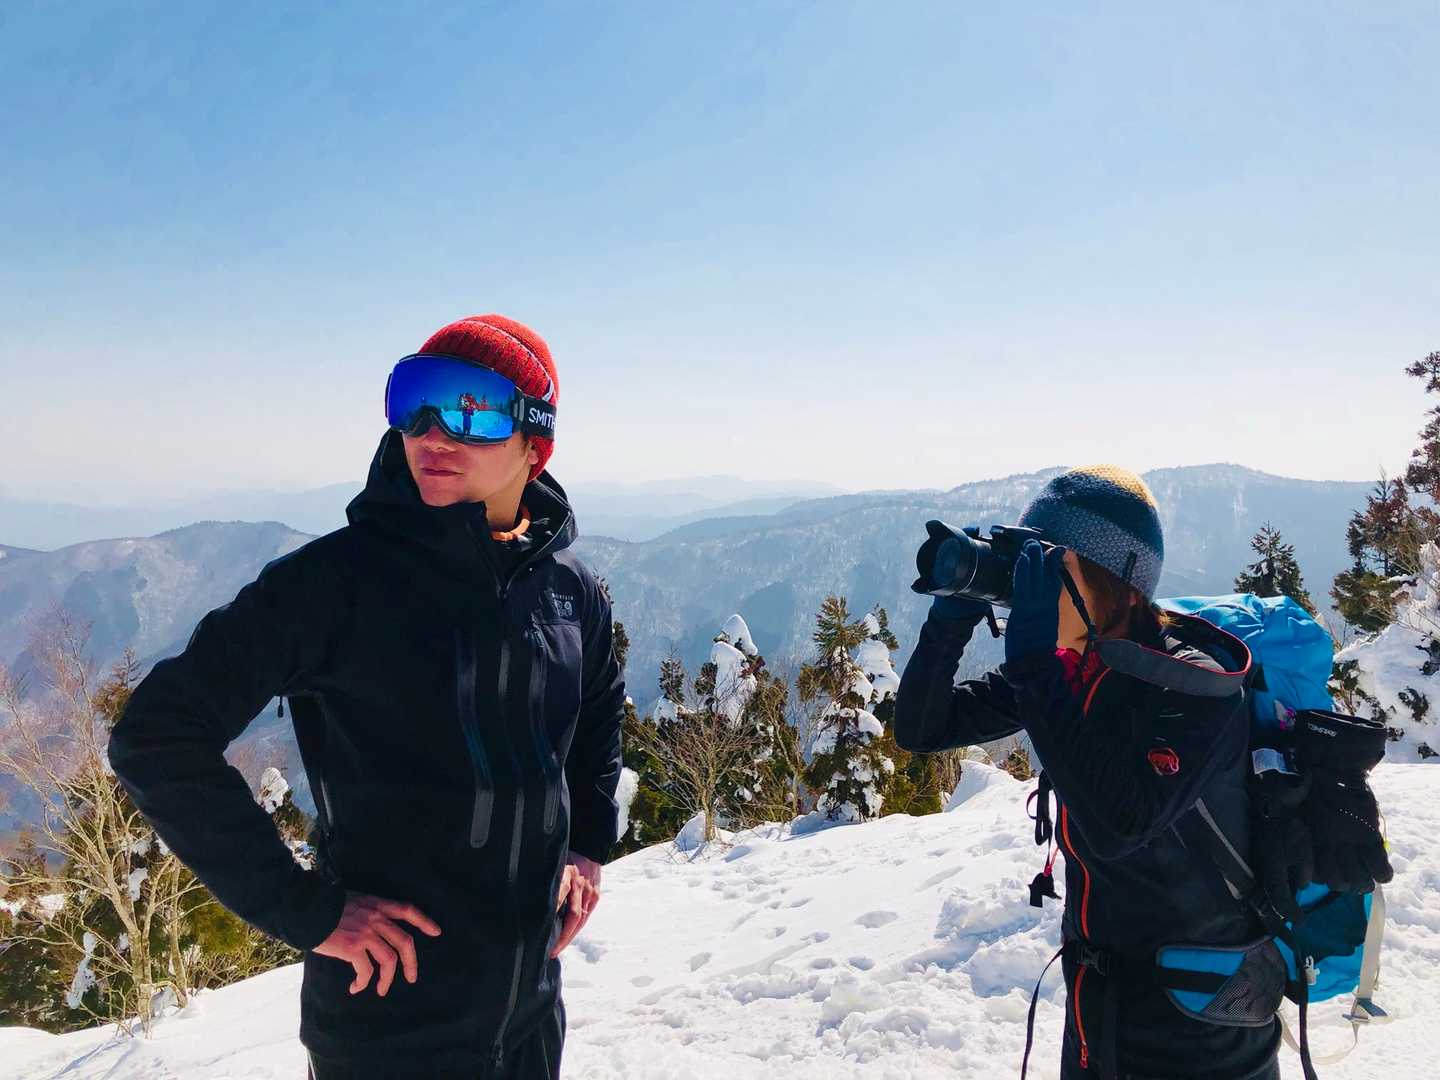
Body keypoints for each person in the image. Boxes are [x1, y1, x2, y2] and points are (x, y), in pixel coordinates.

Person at [109, 314, 625, 1079]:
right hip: (389, 1029)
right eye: (413, 399)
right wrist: (304, 910)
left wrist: (587, 842)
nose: (432, 432)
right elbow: (156, 736)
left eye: (472, 409)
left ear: (534, 440)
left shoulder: (567, 588)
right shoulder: (334, 586)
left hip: (527, 1016)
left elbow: (599, 699)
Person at [895, 466, 1281, 1080]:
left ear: (1119, 585)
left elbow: (1120, 824)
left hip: (1205, 1024)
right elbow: (923, 728)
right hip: (1099, 1009)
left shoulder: (1195, 687)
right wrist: (949, 623)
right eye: (1026, 565)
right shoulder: (1074, 669)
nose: (1030, 587)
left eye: (1050, 567)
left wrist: (1034, 670)